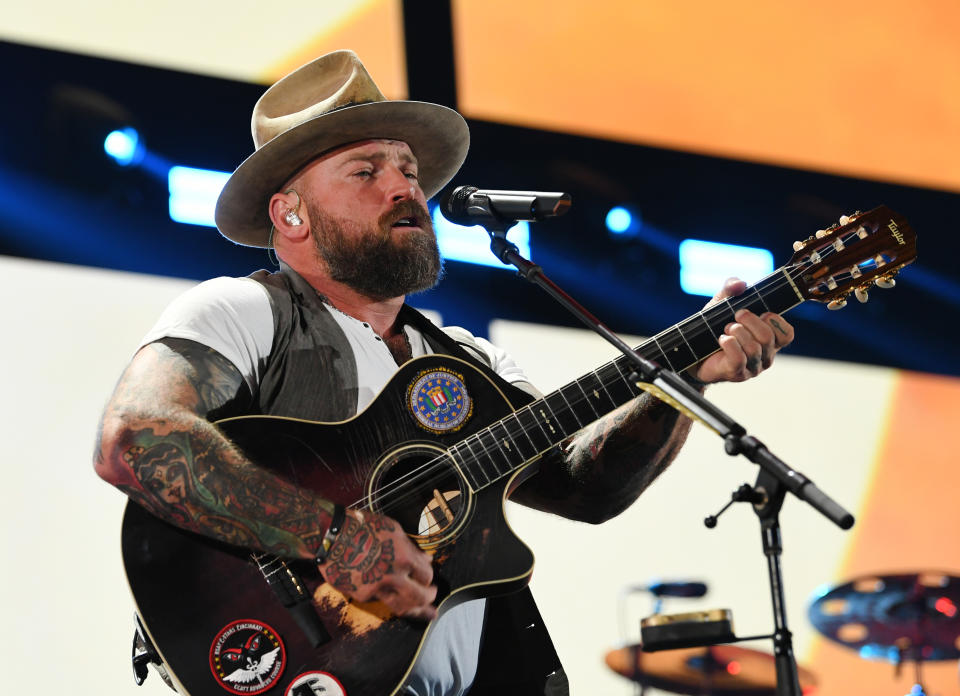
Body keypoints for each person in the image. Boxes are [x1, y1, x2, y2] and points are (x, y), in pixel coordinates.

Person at [94, 50, 794, 696]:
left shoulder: (468, 362)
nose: (405, 187)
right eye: (367, 172)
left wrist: (684, 378)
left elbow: (585, 487)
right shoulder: (244, 311)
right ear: (291, 213)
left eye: (408, 170)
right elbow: (136, 439)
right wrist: (333, 537)